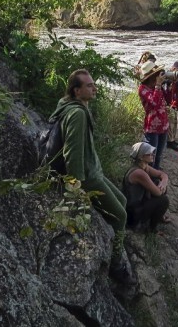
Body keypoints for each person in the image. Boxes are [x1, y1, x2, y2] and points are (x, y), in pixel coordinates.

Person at [48, 69, 136, 285]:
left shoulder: (75, 106)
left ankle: (109, 235)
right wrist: (74, 188)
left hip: (94, 170)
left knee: (122, 201)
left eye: (93, 84)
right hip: (87, 177)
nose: (94, 88)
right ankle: (116, 265)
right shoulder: (77, 114)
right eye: (89, 86)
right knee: (121, 216)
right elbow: (73, 152)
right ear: (77, 91)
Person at [122, 142, 170, 231]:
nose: (153, 154)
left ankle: (158, 216)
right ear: (141, 157)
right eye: (150, 153)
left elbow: (162, 174)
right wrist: (162, 186)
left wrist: (163, 182)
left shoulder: (144, 166)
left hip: (139, 204)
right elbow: (158, 193)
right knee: (164, 200)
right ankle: (150, 229)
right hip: (133, 214)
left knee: (157, 183)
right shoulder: (138, 173)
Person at [138, 61, 169, 170]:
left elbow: (169, 100)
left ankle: (155, 175)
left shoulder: (158, 87)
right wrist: (158, 85)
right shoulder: (143, 88)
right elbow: (154, 103)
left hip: (163, 125)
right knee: (150, 156)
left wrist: (170, 85)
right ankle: (148, 178)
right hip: (152, 127)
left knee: (159, 155)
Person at [165, 61, 178, 151]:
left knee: (177, 122)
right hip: (170, 104)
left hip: (177, 103)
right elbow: (166, 86)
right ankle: (170, 142)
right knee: (171, 124)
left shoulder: (177, 79)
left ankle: (173, 140)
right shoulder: (168, 76)